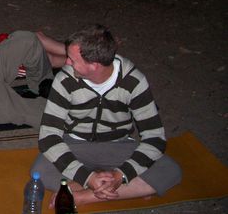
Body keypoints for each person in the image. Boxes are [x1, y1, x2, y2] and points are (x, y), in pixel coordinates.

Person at [31, 24, 181, 208]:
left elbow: (155, 138)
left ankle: (83, 196)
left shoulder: (133, 81)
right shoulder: (65, 80)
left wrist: (121, 175)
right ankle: (130, 188)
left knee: (169, 171)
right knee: (41, 171)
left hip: (118, 145)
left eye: (72, 59)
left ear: (94, 65)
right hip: (76, 144)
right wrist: (88, 178)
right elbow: (49, 137)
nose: (67, 63)